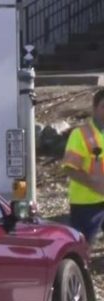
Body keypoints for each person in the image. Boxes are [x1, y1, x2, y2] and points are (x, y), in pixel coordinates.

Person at [63, 88, 104, 244]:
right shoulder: (80, 135)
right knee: (83, 247)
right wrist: (94, 183)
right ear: (94, 109)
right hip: (86, 204)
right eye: (103, 107)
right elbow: (70, 168)